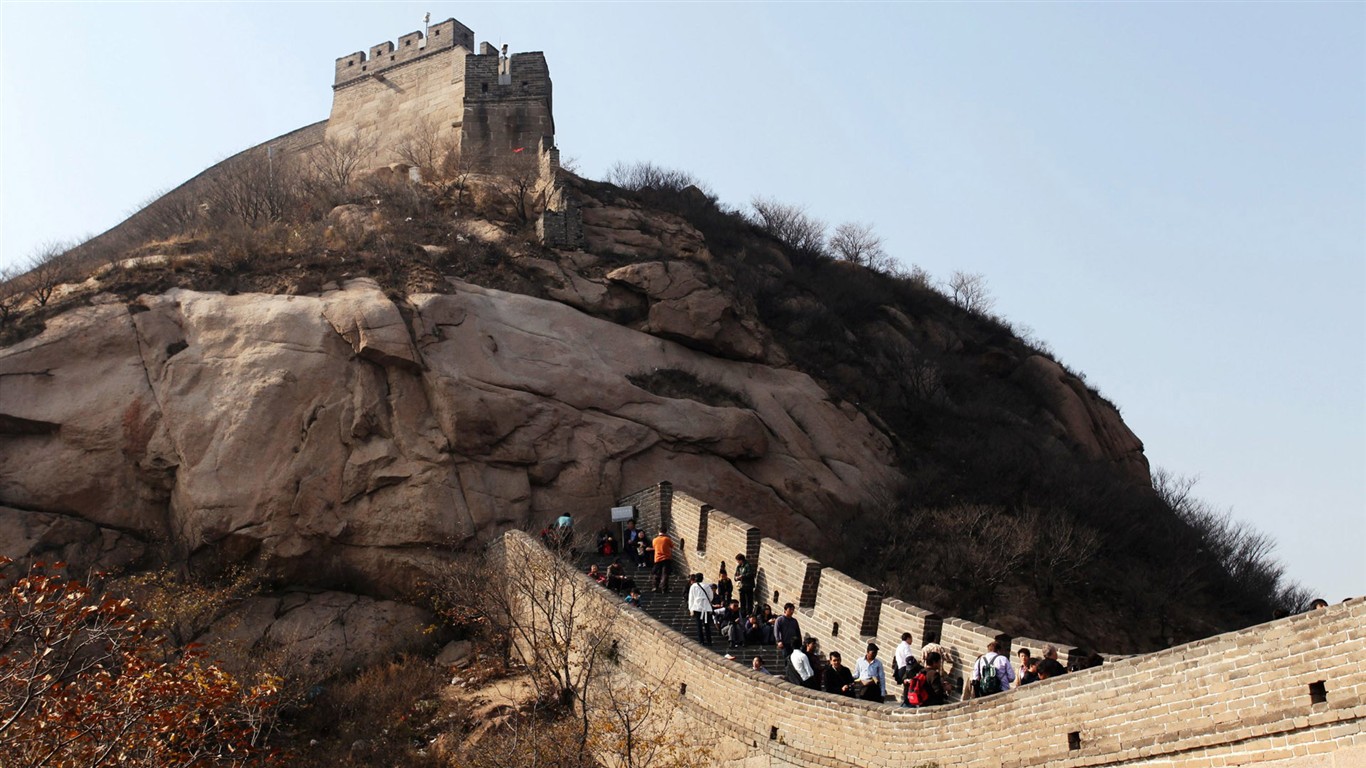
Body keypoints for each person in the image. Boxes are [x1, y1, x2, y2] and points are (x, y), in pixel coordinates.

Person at [686, 573, 715, 645]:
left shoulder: (693, 586)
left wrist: (691, 609)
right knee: (707, 625)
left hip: (697, 607)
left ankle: (701, 640)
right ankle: (709, 641)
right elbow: (711, 596)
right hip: (706, 607)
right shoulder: (707, 586)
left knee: (699, 625)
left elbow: (691, 598)